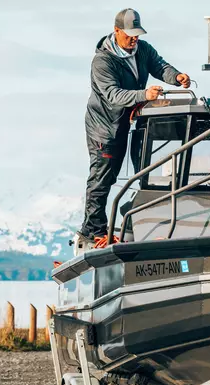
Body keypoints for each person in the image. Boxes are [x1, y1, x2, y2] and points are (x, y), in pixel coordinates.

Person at [72, 8, 191, 255]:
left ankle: (125, 223)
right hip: (103, 128)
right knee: (102, 177)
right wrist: (143, 95)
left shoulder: (143, 49)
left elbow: (160, 66)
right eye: (130, 34)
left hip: (127, 123)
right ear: (117, 31)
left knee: (129, 174)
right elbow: (113, 94)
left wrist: (176, 76)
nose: (134, 38)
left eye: (137, 34)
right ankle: (93, 231)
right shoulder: (102, 61)